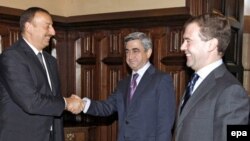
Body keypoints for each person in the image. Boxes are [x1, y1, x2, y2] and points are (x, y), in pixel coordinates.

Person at [0, 7, 83, 141]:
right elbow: (31, 102)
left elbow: (52, 100)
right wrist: (67, 103)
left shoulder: (50, 60)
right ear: (29, 27)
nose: (53, 32)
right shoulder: (12, 57)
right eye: (47, 26)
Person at [81, 32, 176, 141]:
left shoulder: (161, 80)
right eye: (127, 52)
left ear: (148, 52)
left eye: (135, 51)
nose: (130, 57)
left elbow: (165, 124)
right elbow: (107, 107)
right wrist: (83, 104)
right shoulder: (123, 83)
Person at [174, 13, 250, 141]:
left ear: (211, 45)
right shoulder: (194, 82)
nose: (182, 47)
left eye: (188, 41)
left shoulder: (232, 92)